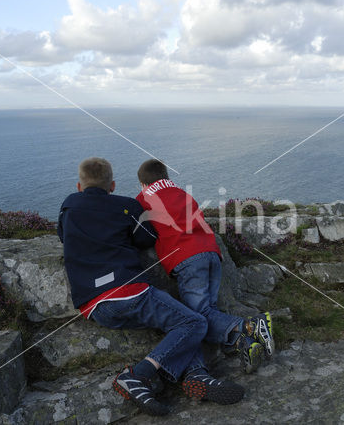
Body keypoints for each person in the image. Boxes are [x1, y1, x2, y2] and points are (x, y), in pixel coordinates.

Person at [58, 157, 244, 417]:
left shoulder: (68, 207)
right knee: (194, 322)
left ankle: (195, 376)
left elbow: (63, 236)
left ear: (79, 186)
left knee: (177, 321)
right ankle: (138, 375)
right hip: (129, 292)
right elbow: (145, 238)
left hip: (93, 306)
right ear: (112, 185)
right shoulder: (125, 206)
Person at [136, 159, 275, 373]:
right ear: (166, 177)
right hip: (211, 252)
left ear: (143, 184)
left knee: (196, 317)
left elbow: (139, 230)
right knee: (209, 311)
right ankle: (244, 343)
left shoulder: (144, 198)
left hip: (187, 258)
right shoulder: (183, 193)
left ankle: (248, 325)